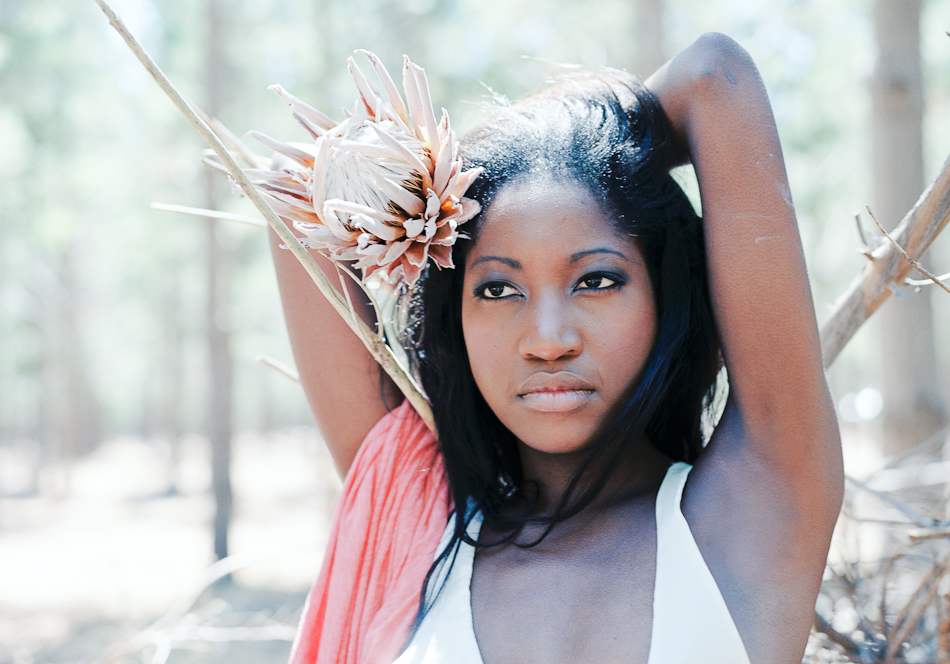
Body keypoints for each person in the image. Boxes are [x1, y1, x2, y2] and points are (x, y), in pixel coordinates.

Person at [269, 33, 844, 664]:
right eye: (497, 289)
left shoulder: (751, 509)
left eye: (596, 281)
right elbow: (290, 197)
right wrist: (428, 196)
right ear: (455, 322)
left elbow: (714, 76)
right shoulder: (418, 523)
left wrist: (563, 145)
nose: (548, 341)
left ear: (665, 300)